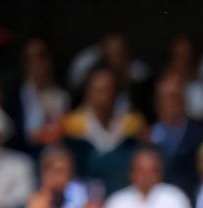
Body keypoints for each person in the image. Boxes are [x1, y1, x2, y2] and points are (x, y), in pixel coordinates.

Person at [62, 65, 146, 194]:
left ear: (116, 93)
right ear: (88, 94)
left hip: (123, 190)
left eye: (108, 90)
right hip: (86, 192)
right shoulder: (72, 124)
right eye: (99, 91)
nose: (104, 97)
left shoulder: (133, 123)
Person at [149, 74, 203, 194]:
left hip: (191, 198)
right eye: (163, 98)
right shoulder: (146, 136)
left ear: (183, 100)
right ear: (157, 103)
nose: (168, 103)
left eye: (173, 97)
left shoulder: (201, 133)